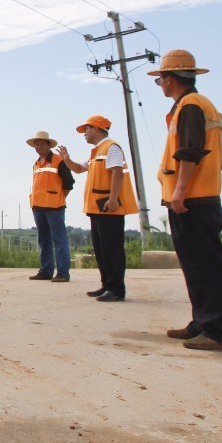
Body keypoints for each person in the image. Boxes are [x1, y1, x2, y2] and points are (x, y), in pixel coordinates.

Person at [149, 50, 222, 352]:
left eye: (160, 79)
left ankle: (217, 331)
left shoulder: (191, 106)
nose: (159, 84)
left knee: (206, 266)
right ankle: (202, 322)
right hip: (198, 197)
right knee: (197, 266)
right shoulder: (196, 105)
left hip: (193, 199)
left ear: (170, 79)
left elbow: (189, 151)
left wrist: (180, 191)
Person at [59, 116, 138, 303]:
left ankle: (117, 288)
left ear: (96, 129)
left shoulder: (112, 148)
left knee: (112, 249)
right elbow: (78, 169)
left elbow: (117, 173)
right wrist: (67, 160)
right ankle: (107, 284)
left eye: (86, 130)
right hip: (97, 207)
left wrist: (112, 199)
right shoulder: (96, 153)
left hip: (109, 206)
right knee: (101, 249)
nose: (84, 134)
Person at [25, 131, 75, 283]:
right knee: (44, 240)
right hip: (38, 206)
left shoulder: (59, 160)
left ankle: (62, 273)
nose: (38, 146)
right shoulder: (36, 163)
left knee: (59, 240)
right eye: (36, 144)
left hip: (54, 207)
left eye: (41, 143)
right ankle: (46, 271)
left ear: (48, 145)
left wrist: (58, 197)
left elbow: (69, 183)